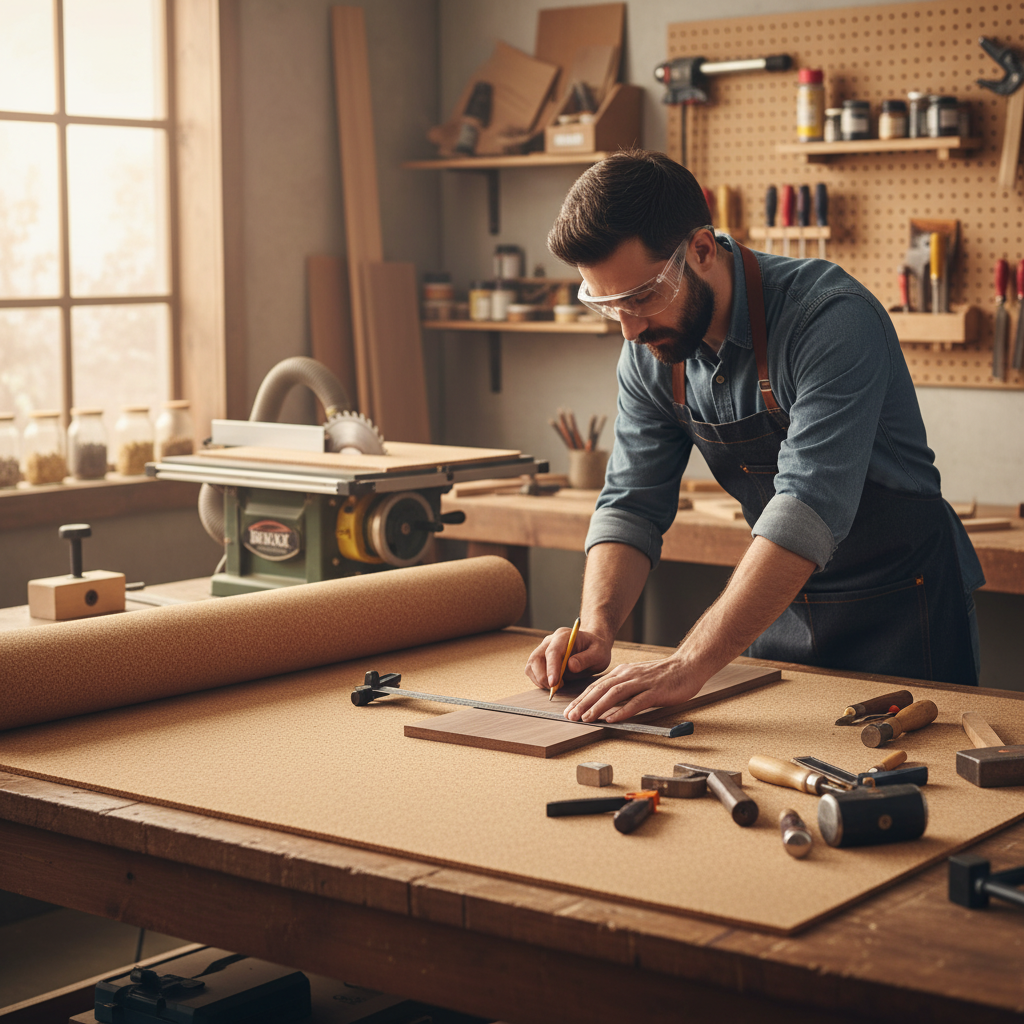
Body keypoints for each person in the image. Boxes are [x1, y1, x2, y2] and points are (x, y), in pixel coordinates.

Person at [525, 150, 982, 725]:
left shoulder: (830, 318)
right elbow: (631, 505)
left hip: (901, 605)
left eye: (640, 297)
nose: (630, 328)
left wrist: (688, 662)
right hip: (778, 602)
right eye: (607, 305)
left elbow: (807, 507)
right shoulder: (648, 350)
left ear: (701, 249)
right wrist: (596, 624)